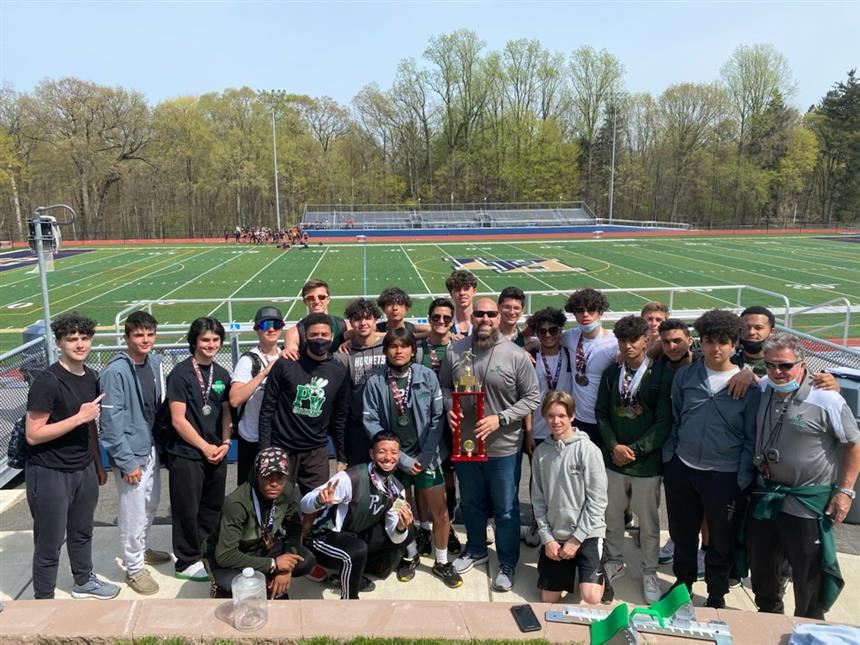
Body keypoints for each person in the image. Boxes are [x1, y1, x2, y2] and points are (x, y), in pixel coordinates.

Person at [743, 333, 859, 619]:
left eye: (785, 366)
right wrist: (747, 375)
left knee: (808, 573)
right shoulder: (763, 388)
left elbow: (853, 444)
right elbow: (747, 371)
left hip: (806, 500)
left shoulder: (827, 398)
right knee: (763, 567)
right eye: (770, 365)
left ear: (802, 363)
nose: (777, 372)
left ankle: (809, 625)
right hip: (766, 494)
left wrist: (845, 492)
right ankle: (769, 617)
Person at [439, 298, 541, 591]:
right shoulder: (456, 351)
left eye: (490, 314)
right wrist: (449, 405)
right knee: (470, 502)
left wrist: (502, 418)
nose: (484, 318)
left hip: (503, 446)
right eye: (479, 313)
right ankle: (476, 548)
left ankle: (507, 560)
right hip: (466, 443)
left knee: (506, 509)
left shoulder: (516, 355)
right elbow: (445, 386)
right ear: (471, 317)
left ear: (499, 318)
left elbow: (532, 398)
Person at [662, 309, 760, 608]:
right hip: (684, 467)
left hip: (725, 474)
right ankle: (683, 584)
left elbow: (751, 434)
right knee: (683, 534)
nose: (716, 348)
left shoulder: (750, 385)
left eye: (723, 342)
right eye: (709, 341)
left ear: (734, 344)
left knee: (721, 540)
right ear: (700, 343)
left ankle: (717, 594)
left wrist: (742, 475)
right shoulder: (687, 376)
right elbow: (677, 416)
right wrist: (671, 456)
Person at [24, 312, 118, 600]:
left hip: (84, 467)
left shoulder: (91, 376)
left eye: (84, 337)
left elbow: (90, 424)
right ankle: (43, 599)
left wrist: (98, 463)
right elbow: (33, 433)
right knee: (49, 542)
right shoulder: (47, 380)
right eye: (72, 339)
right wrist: (79, 417)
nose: (80, 344)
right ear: (59, 342)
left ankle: (83, 580)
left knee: (82, 531)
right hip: (49, 470)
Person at [362, 328, 462, 589]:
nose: (398, 351)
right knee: (401, 511)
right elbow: (370, 421)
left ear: (412, 350)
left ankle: (441, 561)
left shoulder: (427, 376)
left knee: (439, 511)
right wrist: (402, 459)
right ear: (385, 351)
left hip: (427, 455)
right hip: (393, 459)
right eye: (393, 346)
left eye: (403, 346)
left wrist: (427, 455)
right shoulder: (375, 382)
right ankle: (411, 554)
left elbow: (438, 418)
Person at [595, 315, 673, 604]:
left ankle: (649, 570)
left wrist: (636, 450)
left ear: (646, 340)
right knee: (612, 516)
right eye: (622, 340)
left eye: (633, 340)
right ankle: (614, 559)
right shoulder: (610, 374)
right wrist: (614, 446)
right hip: (614, 460)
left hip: (646, 464)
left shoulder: (661, 375)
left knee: (649, 523)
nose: (627, 346)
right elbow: (601, 414)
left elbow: (664, 421)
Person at [99, 311, 171, 595]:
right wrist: (126, 461)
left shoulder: (152, 362)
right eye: (139, 334)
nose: (145, 339)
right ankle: (133, 567)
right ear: (127, 337)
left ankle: (142, 548)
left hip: (150, 444)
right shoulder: (115, 372)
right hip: (131, 452)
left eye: (149, 334)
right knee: (133, 510)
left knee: (151, 502)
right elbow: (110, 423)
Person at [301, 432, 414, 599]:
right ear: (372, 454)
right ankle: (349, 600)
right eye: (382, 451)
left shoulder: (396, 489)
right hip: (325, 537)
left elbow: (394, 537)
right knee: (356, 551)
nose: (388, 457)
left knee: (408, 533)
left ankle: (356, 570)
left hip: (355, 534)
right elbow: (304, 503)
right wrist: (319, 499)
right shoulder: (350, 478)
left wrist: (401, 526)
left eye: (394, 452)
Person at [165, 317, 233, 581]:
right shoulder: (180, 374)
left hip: (217, 451)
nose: (211, 344)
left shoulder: (222, 374)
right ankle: (185, 560)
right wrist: (205, 446)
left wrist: (225, 442)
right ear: (194, 341)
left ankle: (206, 549)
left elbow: (227, 412)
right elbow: (177, 419)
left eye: (216, 340)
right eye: (205, 339)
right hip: (188, 453)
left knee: (212, 506)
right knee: (186, 507)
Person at [206, 447, 317, 599]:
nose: (274, 483)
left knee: (307, 561)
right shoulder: (237, 503)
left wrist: (286, 566)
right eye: (267, 477)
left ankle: (270, 583)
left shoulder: (287, 491)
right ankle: (223, 588)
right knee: (233, 585)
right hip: (229, 555)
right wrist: (274, 564)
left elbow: (295, 527)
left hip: (262, 545)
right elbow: (225, 555)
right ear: (257, 476)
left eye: (280, 477)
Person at [258, 313, 350, 495]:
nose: (319, 339)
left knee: (317, 502)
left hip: (316, 451)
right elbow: (267, 410)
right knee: (278, 501)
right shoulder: (286, 364)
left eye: (324, 335)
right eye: (314, 335)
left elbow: (339, 417)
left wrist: (341, 457)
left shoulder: (339, 370)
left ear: (332, 337)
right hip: (282, 447)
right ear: (305, 338)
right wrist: (265, 451)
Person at [532, 390, 607, 605]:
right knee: (548, 599)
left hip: (588, 533)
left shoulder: (589, 450)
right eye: (550, 416)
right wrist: (548, 539)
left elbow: (598, 501)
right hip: (557, 534)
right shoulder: (541, 454)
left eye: (562, 416)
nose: (556, 421)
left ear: (572, 416)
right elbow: (538, 501)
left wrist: (576, 540)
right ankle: (569, 569)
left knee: (591, 597)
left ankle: (600, 570)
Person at [520, 307, 572, 547]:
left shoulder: (571, 354)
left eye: (553, 330)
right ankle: (537, 521)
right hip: (540, 428)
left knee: (566, 478)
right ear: (536, 333)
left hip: (567, 427)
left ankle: (562, 521)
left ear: (560, 330)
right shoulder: (530, 358)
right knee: (538, 478)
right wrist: (529, 431)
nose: (548, 335)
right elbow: (528, 398)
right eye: (542, 331)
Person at [416, 297, 462, 555]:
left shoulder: (461, 346)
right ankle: (424, 528)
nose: (441, 322)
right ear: (429, 319)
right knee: (425, 473)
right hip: (425, 420)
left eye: (446, 318)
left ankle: (448, 525)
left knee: (449, 473)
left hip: (453, 418)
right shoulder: (419, 346)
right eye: (436, 318)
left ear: (453, 321)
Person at [230, 306, 285, 485]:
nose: (271, 329)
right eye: (265, 325)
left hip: (280, 436)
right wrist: (264, 373)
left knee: (278, 488)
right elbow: (235, 399)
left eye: (276, 324)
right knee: (251, 489)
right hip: (252, 437)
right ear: (257, 329)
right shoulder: (248, 361)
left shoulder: (288, 355)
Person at [560, 288, 619, 449]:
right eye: (580, 310)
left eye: (591, 310)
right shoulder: (570, 337)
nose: (585, 315)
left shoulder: (614, 344)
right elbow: (545, 340)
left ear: (600, 313)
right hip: (576, 419)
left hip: (603, 420)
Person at [342, 298, 387, 466]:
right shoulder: (345, 351)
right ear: (351, 322)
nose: (363, 323)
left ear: (375, 320)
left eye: (367, 318)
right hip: (358, 425)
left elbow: (409, 335)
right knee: (360, 476)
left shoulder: (389, 344)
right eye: (357, 319)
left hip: (385, 423)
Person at [283, 279, 349, 355]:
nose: (317, 301)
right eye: (311, 298)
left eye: (321, 297)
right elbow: (290, 361)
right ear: (305, 301)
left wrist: (351, 341)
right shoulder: (294, 333)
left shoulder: (344, 326)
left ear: (328, 299)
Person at [445, 270, 478, 337]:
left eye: (466, 289)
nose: (462, 293)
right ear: (451, 294)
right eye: (457, 290)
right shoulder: (444, 323)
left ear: (474, 291)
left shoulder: (482, 321)